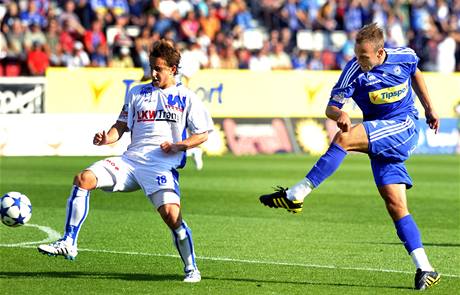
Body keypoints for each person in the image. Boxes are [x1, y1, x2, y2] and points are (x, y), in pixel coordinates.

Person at [259, 23, 441, 291]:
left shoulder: (405, 56)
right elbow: (330, 108)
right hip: (379, 136)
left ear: (380, 53)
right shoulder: (353, 71)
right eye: (357, 55)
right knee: (396, 206)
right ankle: (425, 267)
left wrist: (430, 108)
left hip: (404, 127)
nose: (359, 61)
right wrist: (340, 114)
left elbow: (417, 73)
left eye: (364, 57)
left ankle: (297, 193)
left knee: (344, 139)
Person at [38, 39, 214, 283]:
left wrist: (179, 145)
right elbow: (121, 125)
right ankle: (69, 241)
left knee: (173, 217)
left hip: (160, 166)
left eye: (159, 68)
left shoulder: (186, 98)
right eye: (151, 66)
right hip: (130, 162)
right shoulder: (136, 92)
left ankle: (191, 268)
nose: (153, 72)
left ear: (173, 70)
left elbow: (203, 134)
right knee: (83, 179)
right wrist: (106, 138)